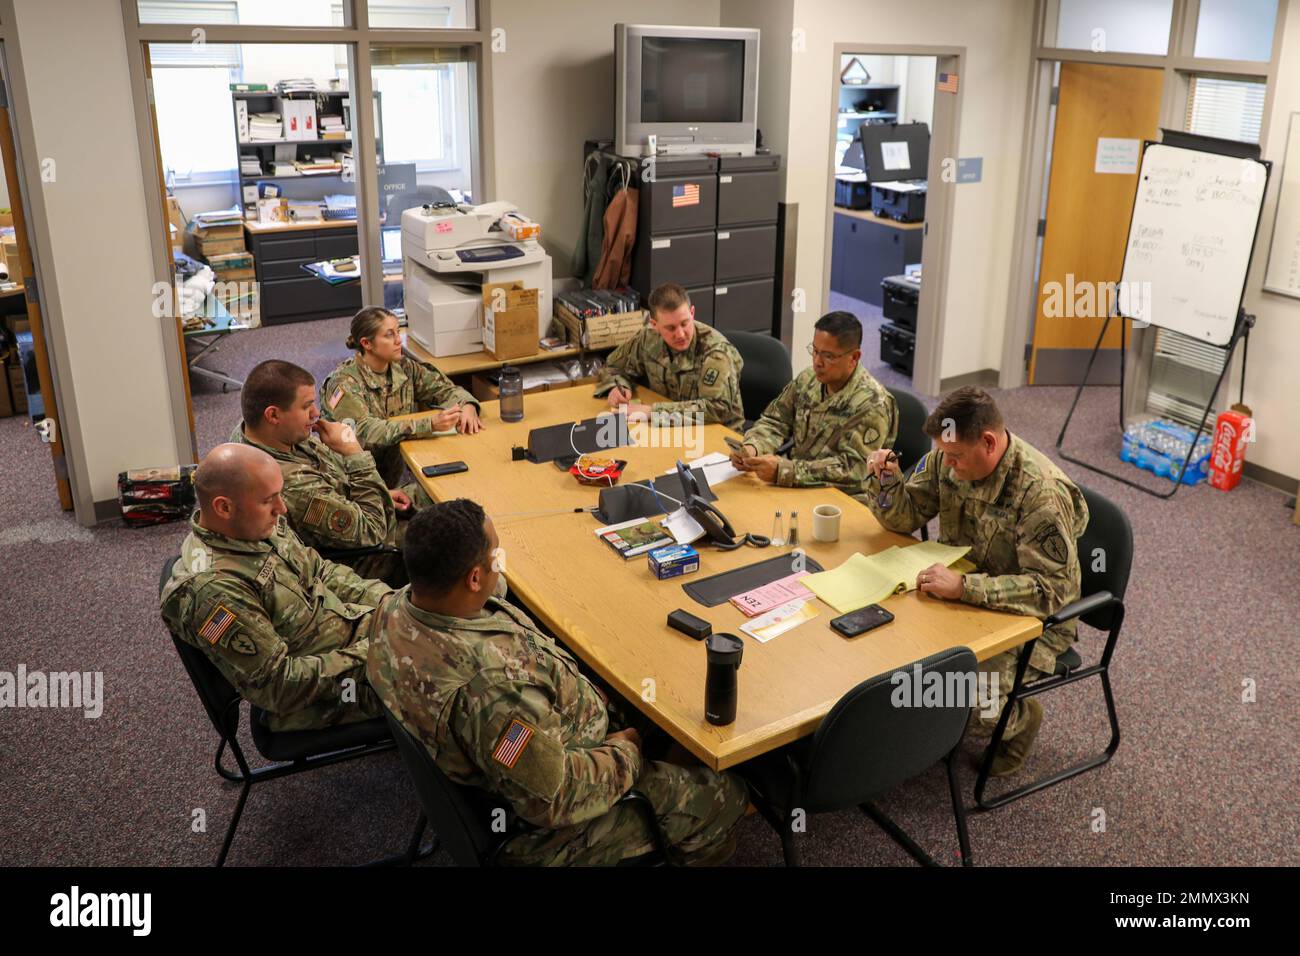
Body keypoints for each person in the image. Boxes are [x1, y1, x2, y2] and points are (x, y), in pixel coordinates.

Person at [366, 499, 749, 866]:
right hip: (544, 829)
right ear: (474, 578)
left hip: (535, 744)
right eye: (497, 557)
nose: (502, 564)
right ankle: (688, 844)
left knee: (649, 690)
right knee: (727, 794)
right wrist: (626, 754)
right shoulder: (491, 694)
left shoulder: (400, 607)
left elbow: (489, 599)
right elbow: (554, 798)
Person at [861, 386, 1089, 776]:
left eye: (955, 457)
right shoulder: (946, 457)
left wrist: (967, 588)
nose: (947, 466)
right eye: (944, 455)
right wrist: (886, 482)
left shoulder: (1040, 495)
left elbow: (1052, 591)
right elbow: (903, 517)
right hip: (958, 591)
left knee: (972, 707)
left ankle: (1018, 718)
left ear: (988, 442)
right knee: (877, 644)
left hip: (1031, 617)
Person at [160, 443, 391, 732]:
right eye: (269, 500)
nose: (281, 508)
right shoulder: (215, 590)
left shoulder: (252, 527)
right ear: (224, 507)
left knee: (440, 624)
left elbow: (320, 570)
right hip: (324, 694)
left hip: (348, 635)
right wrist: (377, 651)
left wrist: (390, 602)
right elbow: (279, 686)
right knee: (444, 685)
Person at [232, 359, 406, 581]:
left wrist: (381, 494)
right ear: (273, 415)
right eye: (306, 406)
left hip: (352, 510)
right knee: (444, 534)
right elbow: (372, 530)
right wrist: (354, 453)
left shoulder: (259, 431)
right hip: (358, 559)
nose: (316, 413)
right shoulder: (291, 483)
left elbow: (329, 480)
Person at [729, 310, 896, 496]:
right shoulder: (809, 379)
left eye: (829, 356)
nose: (817, 362)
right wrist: (754, 447)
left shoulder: (873, 404)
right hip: (797, 485)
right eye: (815, 351)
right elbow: (775, 421)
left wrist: (785, 471)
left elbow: (856, 471)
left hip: (844, 499)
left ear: (854, 357)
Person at [320, 306, 481, 495]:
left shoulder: (403, 367)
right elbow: (366, 430)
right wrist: (429, 424)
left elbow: (445, 390)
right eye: (389, 335)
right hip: (352, 486)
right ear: (367, 343)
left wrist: (467, 405)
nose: (399, 340)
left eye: (398, 332)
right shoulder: (343, 383)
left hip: (390, 477)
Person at [594, 282, 745, 430]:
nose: (680, 334)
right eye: (670, 328)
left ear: (692, 313)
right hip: (673, 430)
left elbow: (717, 409)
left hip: (717, 437)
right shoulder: (648, 338)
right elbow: (613, 366)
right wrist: (618, 386)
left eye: (685, 323)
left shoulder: (716, 352)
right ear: (654, 325)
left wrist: (653, 412)